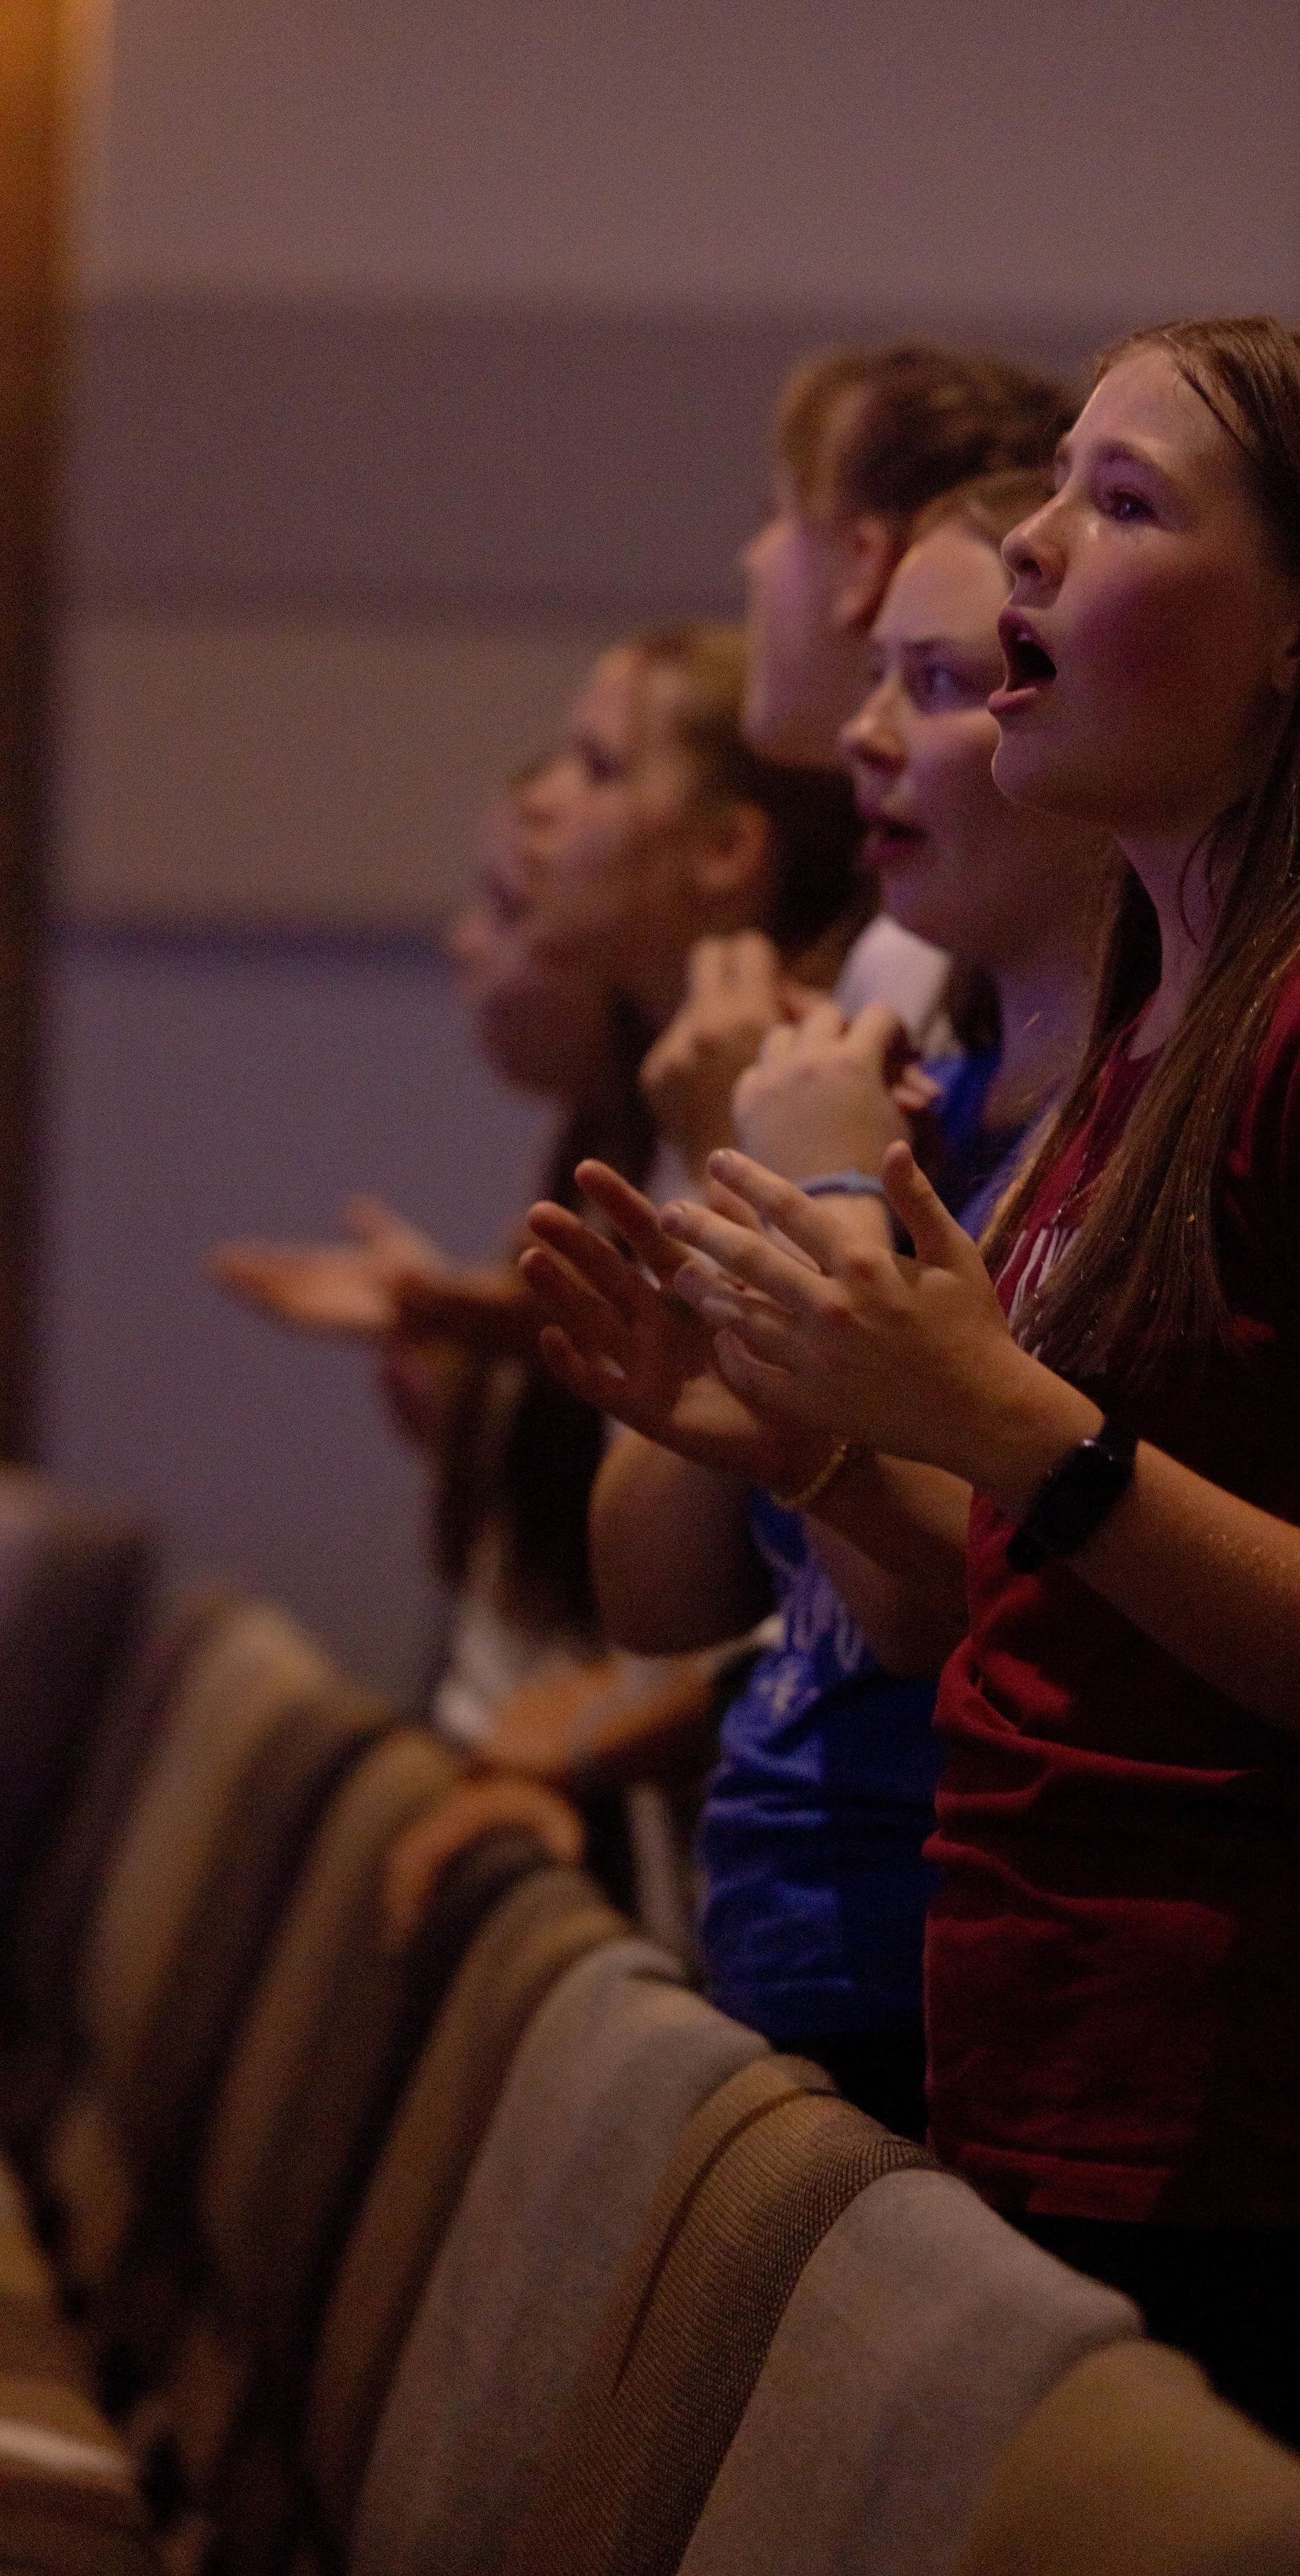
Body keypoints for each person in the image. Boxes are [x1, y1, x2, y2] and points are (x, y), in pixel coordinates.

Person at [530, 319, 1300, 2562]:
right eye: (1059, 484)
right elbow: (1060, 1587)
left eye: (1125, 505)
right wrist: (810, 1431)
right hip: (1087, 2104)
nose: (1035, 538)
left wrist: (1004, 1421)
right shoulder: (1175, 1020)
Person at [522, 468, 1107, 2135]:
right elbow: (650, 1583)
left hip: (935, 1992)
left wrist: (822, 1198)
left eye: (931, 684)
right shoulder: (921, 1085)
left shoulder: (1090, 1146)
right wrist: (752, 1197)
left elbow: (948, 1606)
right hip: (781, 1952)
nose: (861, 737)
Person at [214, 625, 862, 1849]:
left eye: (599, 768)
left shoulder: (798, 1087)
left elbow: (802, 1575)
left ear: (729, 850)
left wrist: (577, 1754)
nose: (542, 811)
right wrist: (468, 1357)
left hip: (702, 1836)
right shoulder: (638, 1105)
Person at [638, 344, 1079, 1177]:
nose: (752, 558)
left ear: (866, 558)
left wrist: (735, 1159)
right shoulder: (933, 969)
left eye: (776, 513)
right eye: (882, 674)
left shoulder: (924, 955)